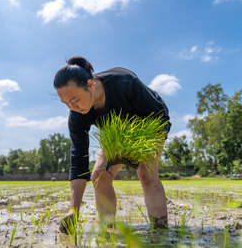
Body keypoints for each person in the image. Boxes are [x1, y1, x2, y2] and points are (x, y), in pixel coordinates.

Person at [54, 56, 171, 232]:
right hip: (115, 134)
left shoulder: (124, 82)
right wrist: (74, 209)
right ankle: (108, 230)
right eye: (67, 103)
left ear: (91, 85)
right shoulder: (77, 115)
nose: (73, 107)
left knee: (146, 173)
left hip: (150, 123)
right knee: (99, 175)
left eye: (75, 100)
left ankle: (161, 231)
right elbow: (78, 159)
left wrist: (135, 148)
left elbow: (159, 116)